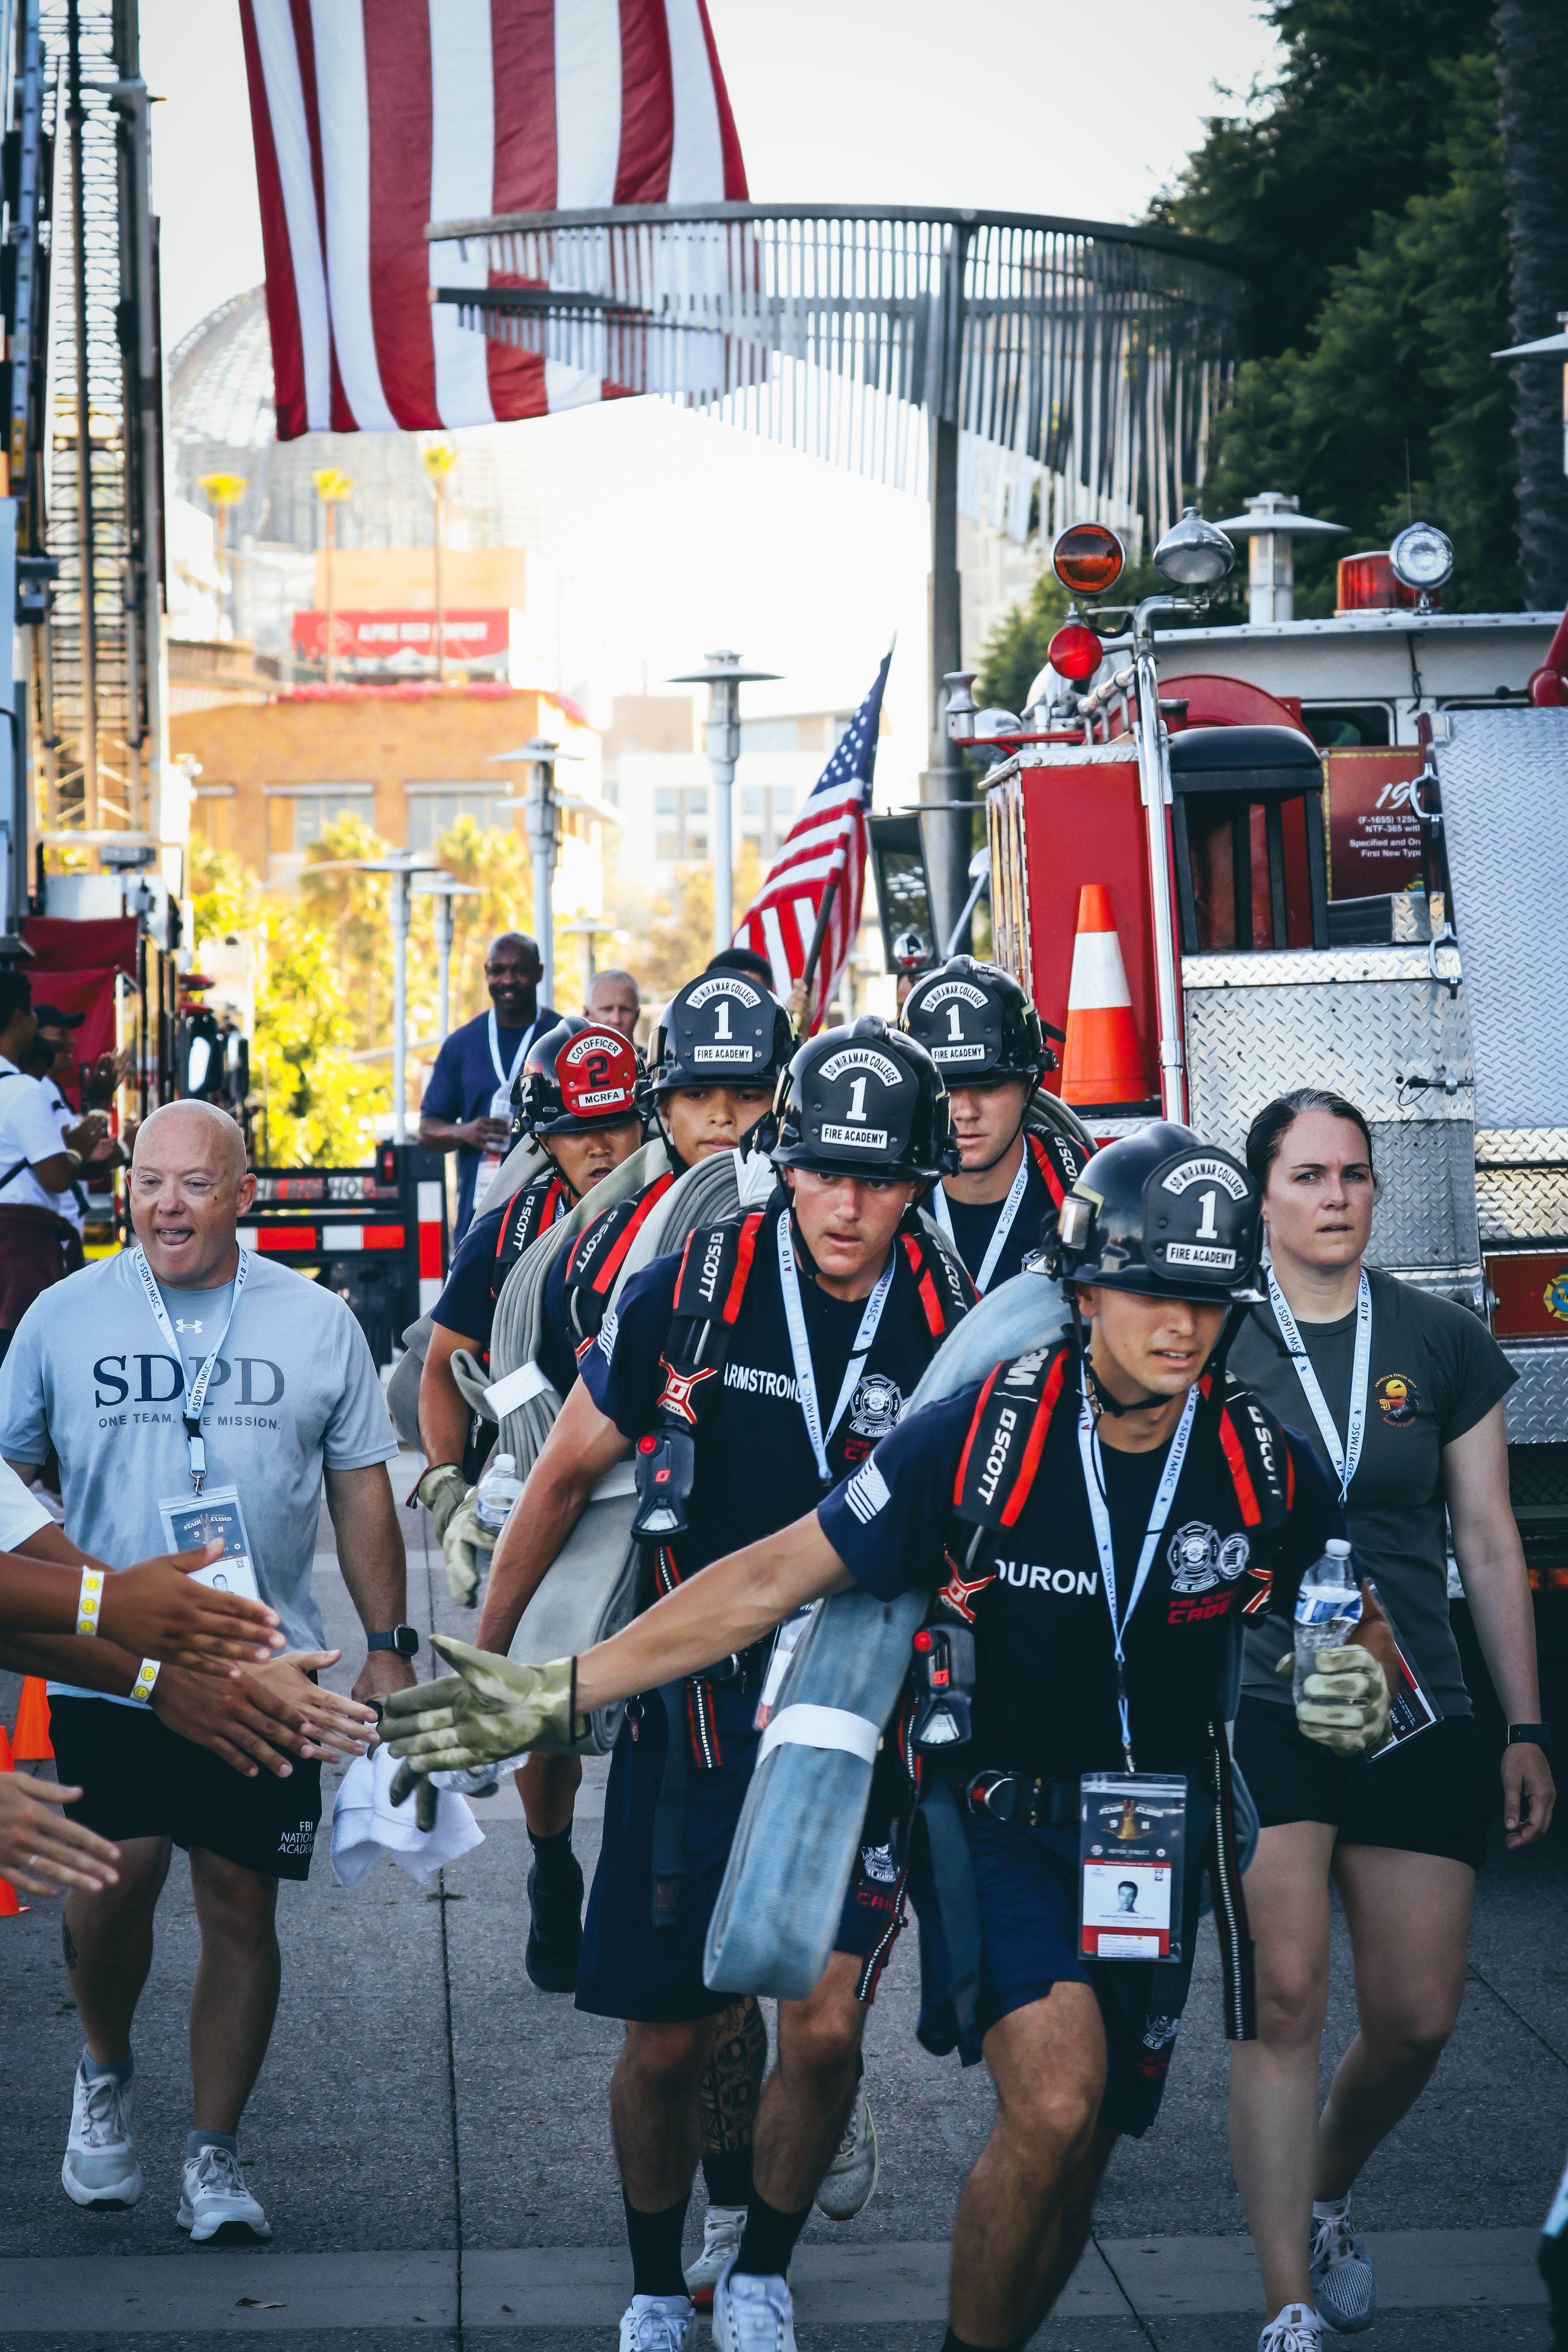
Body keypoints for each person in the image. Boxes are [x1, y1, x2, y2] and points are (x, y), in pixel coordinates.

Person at [389, 1122, 1397, 2352]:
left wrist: (1357, 1678)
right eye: (1149, 1292)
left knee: (1086, 2147)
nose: (1180, 1328)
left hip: (1150, 1830)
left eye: (1206, 1301)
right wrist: (556, 1689)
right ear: (1082, 1291)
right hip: (1001, 1820)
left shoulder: (1263, 1465)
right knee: (1054, 2097)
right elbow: (766, 1579)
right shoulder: (979, 1433)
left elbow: (1353, 1622)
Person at [416, 1018, 974, 2352]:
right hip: (698, 1706)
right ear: (786, 1161)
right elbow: (563, 1473)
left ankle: (764, 2269)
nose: (849, 1206)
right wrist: (495, 1663)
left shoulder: (956, 1322)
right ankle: (657, 2287)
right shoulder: (695, 1286)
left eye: (880, 1179)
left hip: (861, 1717)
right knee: (669, 2039)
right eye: (825, 1171)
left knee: (823, 2030)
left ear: (918, 1182)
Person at [0, 1098, 408, 2244]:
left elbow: (361, 1488)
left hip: (266, 1666)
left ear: (244, 1196)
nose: (166, 1205)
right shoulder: (63, 1314)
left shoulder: (318, 1320)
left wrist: (389, 1641)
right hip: (105, 1659)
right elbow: (6, 1470)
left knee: (239, 1899)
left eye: (192, 1184)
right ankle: (104, 2066)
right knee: (113, 1878)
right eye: (148, 1182)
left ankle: (213, 2154)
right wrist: (66, 1558)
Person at [1223, 1087, 1555, 2351]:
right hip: (1261, 1695)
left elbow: (1487, 1537)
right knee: (1285, 1997)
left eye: (1353, 1174)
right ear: (1262, 1194)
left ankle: (1320, 2191)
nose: (1335, 1196)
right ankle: (1285, 2304)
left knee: (1417, 2013)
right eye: (1308, 1175)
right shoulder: (1215, 1329)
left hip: (1414, 1700)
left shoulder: (1440, 1335)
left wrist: (1524, 1725)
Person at [901, 958, 1090, 1295]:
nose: (966, 1112)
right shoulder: (885, 1200)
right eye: (946, 1089)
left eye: (989, 1086)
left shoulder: (1082, 1184)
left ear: (1029, 1085)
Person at [419, 932, 558, 1241]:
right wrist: (466, 1132)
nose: (508, 980)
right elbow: (427, 1130)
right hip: (479, 1220)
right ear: (486, 974)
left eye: (520, 970)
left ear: (539, 973)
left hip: (551, 1218)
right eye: (498, 970)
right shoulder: (462, 1044)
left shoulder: (562, 1038)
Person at [0, 971, 90, 1357]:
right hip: (20, 1247)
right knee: (22, 1359)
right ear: (19, 1017)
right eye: (32, 1013)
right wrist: (77, 1152)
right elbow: (55, 1176)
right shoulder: (23, 1090)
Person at [22, 1003, 129, 1235]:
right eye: (61, 1034)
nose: (71, 1041)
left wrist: (100, 1102)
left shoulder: (47, 1088)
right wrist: (127, 1146)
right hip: (51, 1229)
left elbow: (83, 1155)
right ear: (33, 1038)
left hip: (60, 1229)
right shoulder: (34, 1090)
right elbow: (79, 1164)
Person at [586, 968, 641, 1042]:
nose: (616, 1020)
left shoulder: (654, 1050)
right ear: (586, 1014)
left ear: (637, 1015)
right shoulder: (569, 1049)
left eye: (625, 1010)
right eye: (607, 1009)